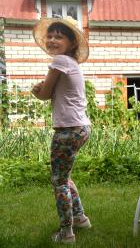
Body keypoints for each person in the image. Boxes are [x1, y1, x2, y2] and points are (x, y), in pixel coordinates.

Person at [31, 17, 91, 244]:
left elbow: (45, 94)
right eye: (51, 35)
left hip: (68, 130)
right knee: (65, 177)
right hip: (81, 127)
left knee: (59, 181)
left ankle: (66, 233)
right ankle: (80, 218)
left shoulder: (59, 61)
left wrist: (38, 91)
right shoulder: (70, 63)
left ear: (71, 43)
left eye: (59, 36)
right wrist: (44, 89)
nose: (53, 39)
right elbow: (53, 90)